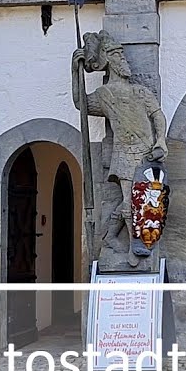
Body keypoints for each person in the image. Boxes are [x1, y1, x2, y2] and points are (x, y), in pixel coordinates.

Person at [72, 31, 167, 258]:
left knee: (147, 197)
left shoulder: (140, 91)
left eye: (122, 55)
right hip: (124, 152)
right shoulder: (104, 94)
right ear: (108, 61)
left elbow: (157, 115)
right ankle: (136, 243)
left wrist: (161, 140)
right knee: (130, 200)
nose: (123, 60)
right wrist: (75, 72)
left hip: (147, 151)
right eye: (117, 56)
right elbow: (81, 104)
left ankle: (111, 237)